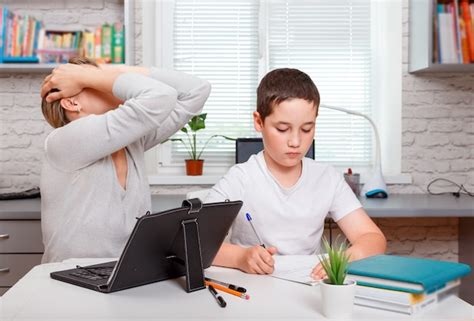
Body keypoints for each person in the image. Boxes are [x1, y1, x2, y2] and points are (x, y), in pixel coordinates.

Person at [205, 68, 386, 279]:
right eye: (282, 129)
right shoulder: (240, 178)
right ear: (259, 122)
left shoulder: (326, 178)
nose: (296, 142)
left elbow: (373, 238)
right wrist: (240, 257)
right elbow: (196, 243)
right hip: (253, 287)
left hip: (310, 284)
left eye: (307, 129)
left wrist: (349, 257)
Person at [40, 57, 211, 263]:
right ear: (72, 102)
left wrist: (103, 70)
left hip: (125, 274)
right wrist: (90, 74)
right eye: (93, 82)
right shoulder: (66, 140)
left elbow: (197, 90)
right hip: (70, 279)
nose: (108, 81)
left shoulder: (131, 140)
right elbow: (161, 96)